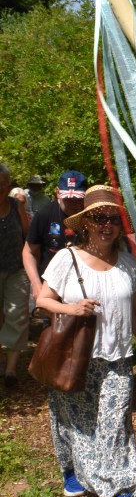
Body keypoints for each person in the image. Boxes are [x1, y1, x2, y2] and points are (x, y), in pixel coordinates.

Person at [36, 185, 136, 497]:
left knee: (115, 425)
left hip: (118, 359)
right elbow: (43, 300)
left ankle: (119, 495)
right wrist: (72, 308)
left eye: (113, 219)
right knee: (76, 423)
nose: (107, 224)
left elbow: (134, 312)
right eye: (99, 218)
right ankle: (71, 469)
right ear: (86, 223)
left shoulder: (127, 263)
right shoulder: (67, 259)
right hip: (74, 357)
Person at [23, 170, 88, 307]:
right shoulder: (44, 215)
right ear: (58, 193)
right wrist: (37, 286)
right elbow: (28, 252)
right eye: (68, 198)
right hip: (51, 289)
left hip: (85, 287)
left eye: (78, 199)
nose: (73, 204)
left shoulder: (92, 216)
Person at [0, 164, 30, 387]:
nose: (0, 187)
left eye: (3, 183)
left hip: (17, 270)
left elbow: (28, 235)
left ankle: (11, 370)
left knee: (17, 316)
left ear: (9, 184)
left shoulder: (16, 204)